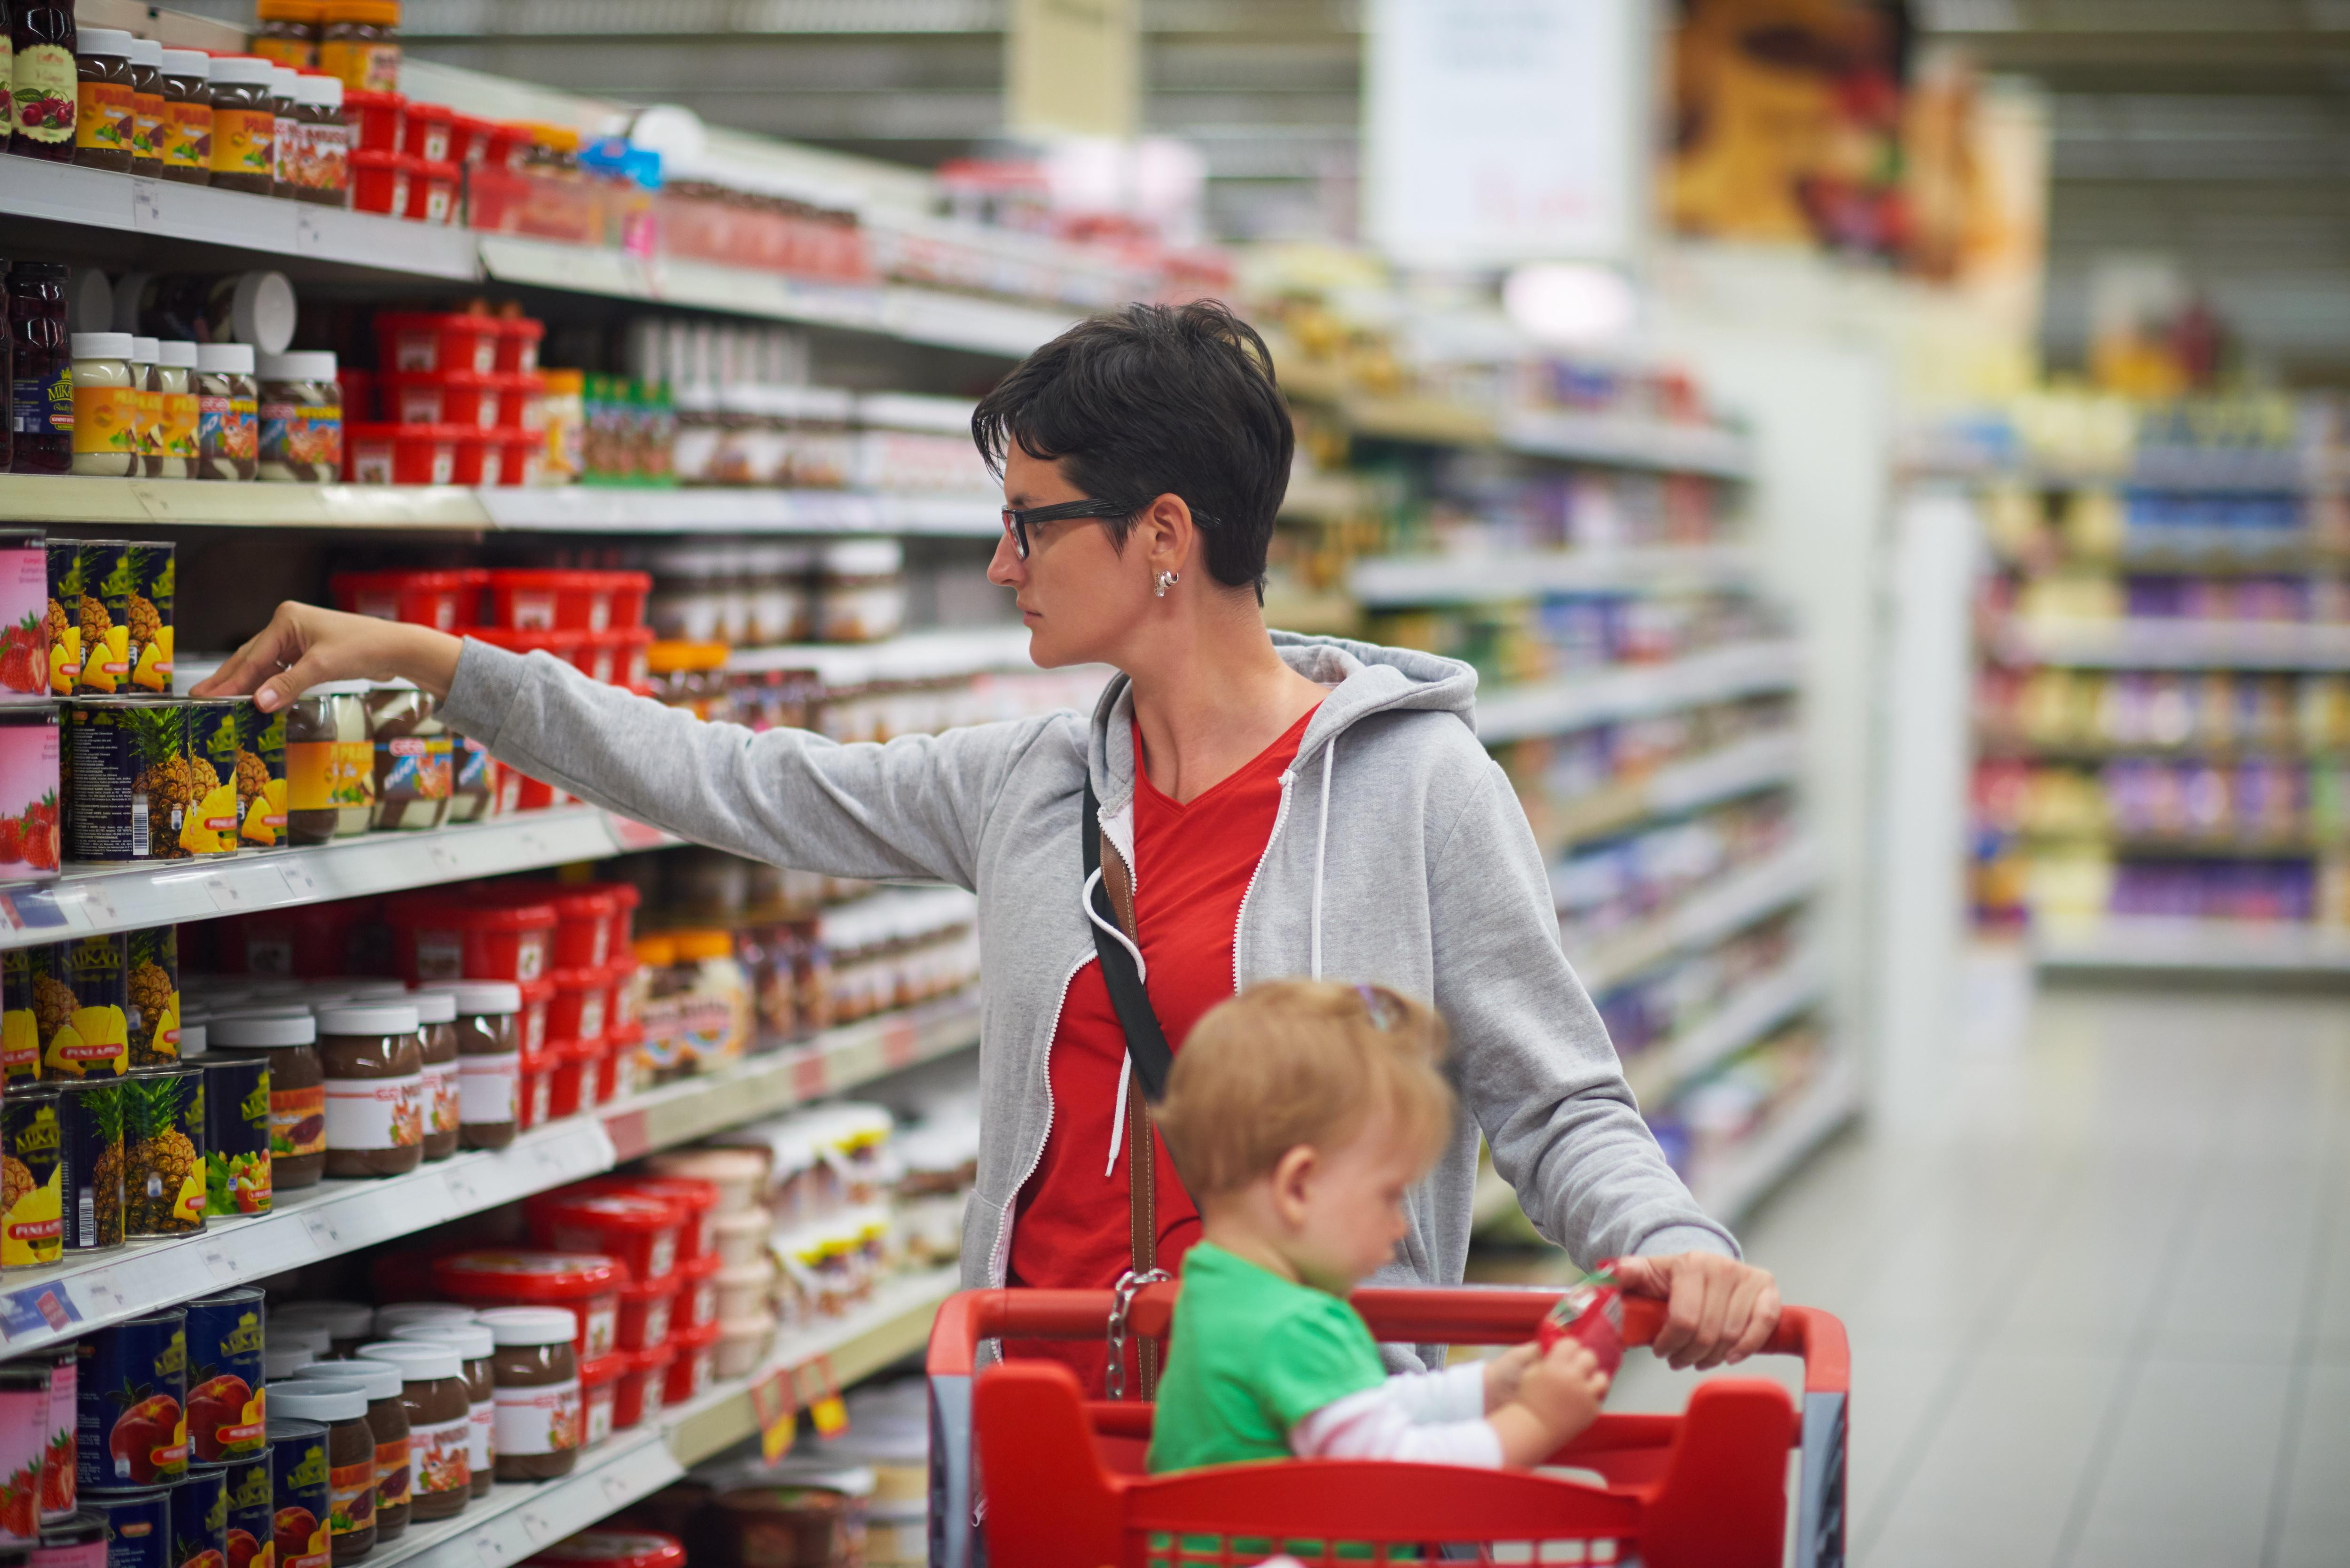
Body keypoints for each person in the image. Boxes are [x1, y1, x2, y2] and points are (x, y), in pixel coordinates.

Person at [192, 299, 1779, 1386]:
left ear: (1164, 536)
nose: (1001, 556)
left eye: (1032, 519)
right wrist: (437, 663)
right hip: (1033, 1404)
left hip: (1299, 1414)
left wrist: (1676, 1243)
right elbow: (732, 775)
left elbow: (1553, 1098)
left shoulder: (1418, 788)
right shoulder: (1026, 783)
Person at [1147, 980, 1610, 1473]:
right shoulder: (1294, 1326)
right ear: (1298, 1188)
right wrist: (1538, 1420)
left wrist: (1487, 1387)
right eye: (1390, 1196)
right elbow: (1396, 1477)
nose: (1398, 1227)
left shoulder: (1218, 1285)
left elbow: (1358, 1407)